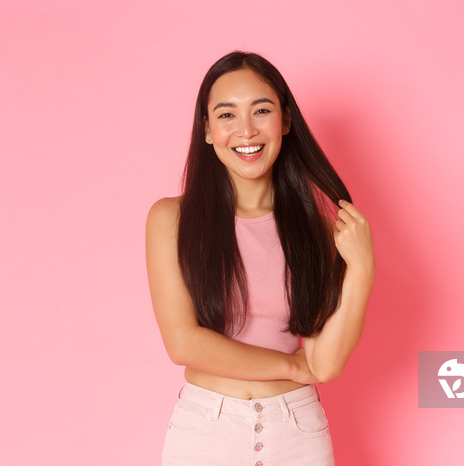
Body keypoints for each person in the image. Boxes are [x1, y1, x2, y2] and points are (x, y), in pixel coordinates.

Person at [146, 51, 375, 465]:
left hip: (298, 432)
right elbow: (183, 343)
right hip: (206, 432)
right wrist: (291, 368)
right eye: (227, 114)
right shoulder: (171, 219)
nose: (246, 130)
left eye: (262, 110)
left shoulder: (321, 233)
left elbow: (324, 364)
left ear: (285, 121)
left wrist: (361, 270)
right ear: (208, 130)